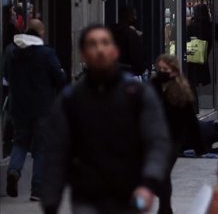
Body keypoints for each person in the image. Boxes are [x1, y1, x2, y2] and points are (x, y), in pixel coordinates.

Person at [42, 25, 171, 214]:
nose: (100, 49)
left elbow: (157, 141)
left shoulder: (137, 94)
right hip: (87, 196)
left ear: (115, 51)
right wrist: (51, 201)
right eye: (92, 44)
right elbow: (56, 151)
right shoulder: (71, 99)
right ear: (83, 54)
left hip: (129, 195)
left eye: (105, 43)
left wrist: (149, 183)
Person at [4, 20, 67, 200]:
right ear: (40, 33)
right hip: (42, 108)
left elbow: (6, 78)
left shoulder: (11, 52)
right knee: (41, 148)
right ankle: (37, 190)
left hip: (18, 107)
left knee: (20, 142)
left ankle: (14, 170)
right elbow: (60, 79)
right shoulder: (46, 53)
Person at [152, 55, 204, 214]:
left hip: (173, 139)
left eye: (165, 70)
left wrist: (199, 146)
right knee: (159, 175)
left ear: (174, 71)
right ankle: (165, 207)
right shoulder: (151, 87)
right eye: (159, 69)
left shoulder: (181, 92)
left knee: (164, 172)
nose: (161, 73)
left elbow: (191, 121)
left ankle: (165, 209)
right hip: (154, 139)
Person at [110, 6, 145, 76]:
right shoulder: (131, 34)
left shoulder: (109, 31)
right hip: (128, 73)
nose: (136, 18)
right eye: (134, 15)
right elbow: (136, 56)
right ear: (129, 17)